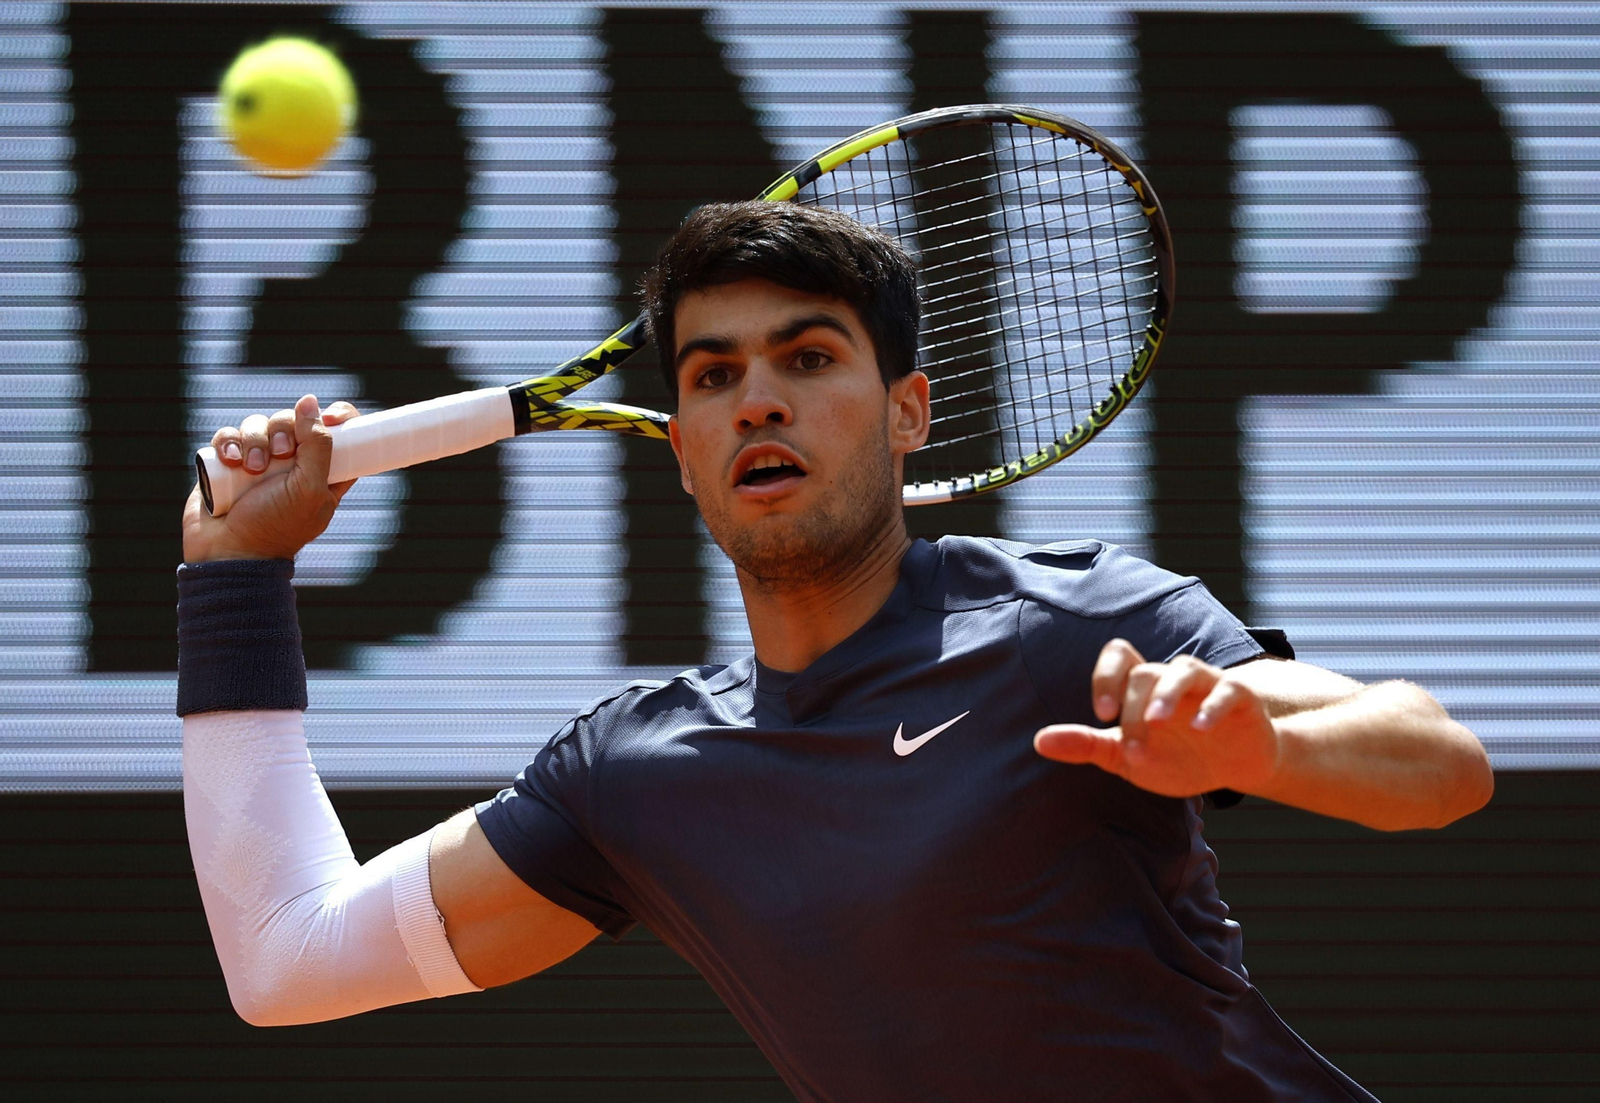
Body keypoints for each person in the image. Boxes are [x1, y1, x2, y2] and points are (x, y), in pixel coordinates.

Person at [178, 201, 1493, 1102]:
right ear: (681, 442)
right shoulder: (635, 779)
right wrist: (235, 579)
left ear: (909, 412)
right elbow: (289, 959)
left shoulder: (1071, 623)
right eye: (710, 375)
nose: (758, 396)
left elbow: (1440, 765)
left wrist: (1258, 739)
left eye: (809, 357)